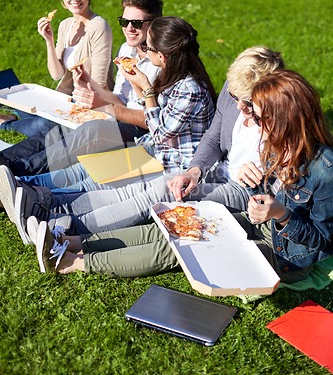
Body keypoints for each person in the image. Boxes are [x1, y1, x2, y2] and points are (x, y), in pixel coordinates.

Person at [3, 47, 284, 245]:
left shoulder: (190, 87)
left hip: (167, 156)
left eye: (142, 30)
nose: (237, 106)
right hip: (161, 152)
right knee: (96, 166)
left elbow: (158, 130)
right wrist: (196, 170)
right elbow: (212, 136)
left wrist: (142, 92)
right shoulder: (228, 90)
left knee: (126, 179)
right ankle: (34, 191)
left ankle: (59, 220)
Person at [18, 15, 217, 192]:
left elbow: (158, 132)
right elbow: (154, 114)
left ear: (161, 56)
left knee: (93, 181)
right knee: (85, 168)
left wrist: (146, 87)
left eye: (148, 47)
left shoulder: (190, 89)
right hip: (153, 150)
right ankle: (22, 183)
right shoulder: (174, 73)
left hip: (172, 165)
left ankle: (30, 193)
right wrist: (136, 83)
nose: (144, 51)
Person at [0, 0, 163, 175]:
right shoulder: (126, 50)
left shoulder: (160, 62)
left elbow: (153, 121)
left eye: (137, 23)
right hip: (118, 115)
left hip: (142, 132)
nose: (129, 28)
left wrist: (106, 107)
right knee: (59, 125)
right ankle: (4, 159)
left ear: (155, 23)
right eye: (124, 22)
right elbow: (120, 99)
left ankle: (17, 172)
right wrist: (90, 83)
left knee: (91, 131)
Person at [233, 69, 333, 283]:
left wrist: (284, 216)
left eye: (259, 118)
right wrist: (251, 181)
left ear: (283, 120)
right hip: (265, 228)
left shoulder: (326, 170)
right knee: (207, 226)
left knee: (224, 251)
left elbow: (324, 239)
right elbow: (268, 197)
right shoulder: (277, 145)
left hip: (290, 257)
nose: (255, 124)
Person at [0, 0, 113, 137]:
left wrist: (78, 91)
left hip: (90, 103)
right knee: (37, 107)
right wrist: (49, 40)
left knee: (40, 128)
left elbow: (99, 83)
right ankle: (15, 115)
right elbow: (56, 74)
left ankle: (5, 123)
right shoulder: (65, 25)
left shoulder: (98, 26)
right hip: (66, 97)